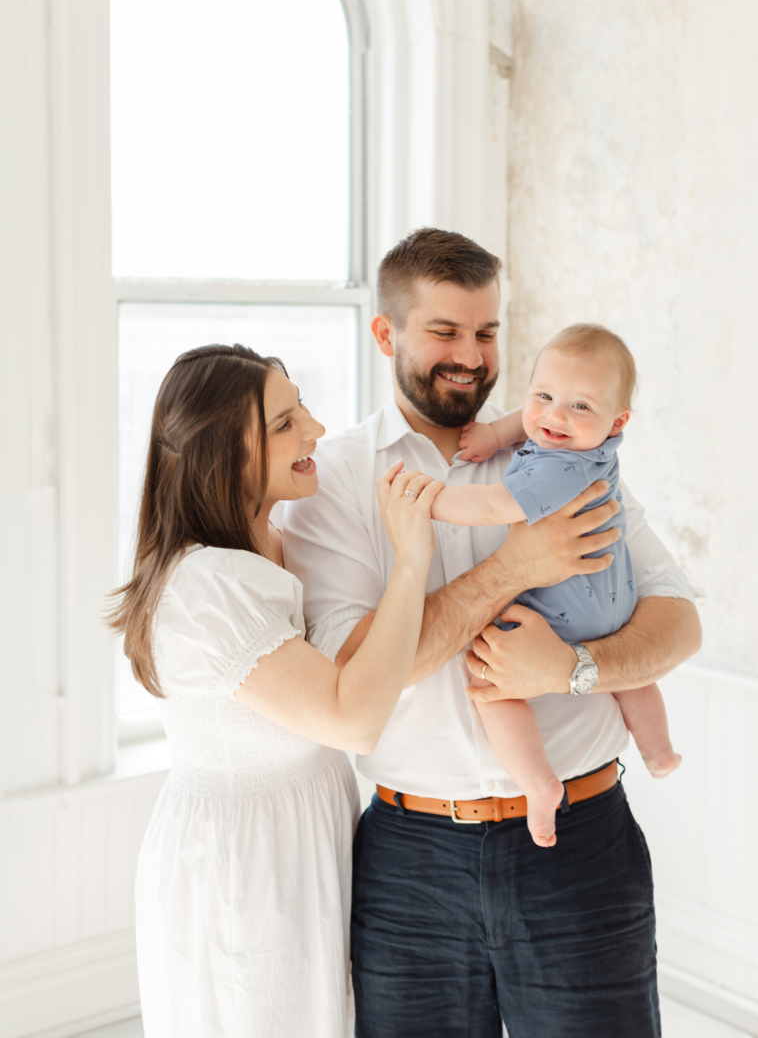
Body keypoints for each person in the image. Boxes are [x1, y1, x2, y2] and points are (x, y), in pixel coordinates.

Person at [282, 228, 702, 1038]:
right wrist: (517, 566)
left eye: (486, 332)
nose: (470, 356)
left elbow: (677, 619)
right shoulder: (335, 478)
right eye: (444, 332)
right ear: (386, 334)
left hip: (581, 843)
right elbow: (357, 671)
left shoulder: (559, 448)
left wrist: (575, 667)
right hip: (410, 864)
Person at [108, 343, 443, 1038]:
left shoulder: (276, 537)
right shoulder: (206, 586)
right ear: (226, 453)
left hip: (302, 845)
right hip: (244, 871)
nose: (315, 429)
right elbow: (354, 720)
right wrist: (412, 561)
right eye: (287, 421)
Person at [429, 322, 681, 848]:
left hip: (562, 610)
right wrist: (498, 434)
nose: (555, 416)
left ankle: (538, 785)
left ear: (618, 419)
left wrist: (427, 500)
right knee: (630, 675)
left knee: (487, 681)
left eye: (580, 406)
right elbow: (532, 427)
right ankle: (658, 750)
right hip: (617, 607)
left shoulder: (559, 472)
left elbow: (495, 504)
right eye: (542, 395)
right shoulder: (595, 450)